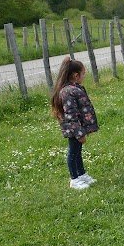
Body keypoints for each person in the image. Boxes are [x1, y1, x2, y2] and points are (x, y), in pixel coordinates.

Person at [50, 57, 99, 189]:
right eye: (83, 74)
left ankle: (81, 174)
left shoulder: (74, 88)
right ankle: (74, 179)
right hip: (74, 129)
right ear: (75, 75)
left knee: (77, 151)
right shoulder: (68, 91)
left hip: (77, 128)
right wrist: (79, 133)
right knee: (73, 152)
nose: (84, 76)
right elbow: (71, 115)